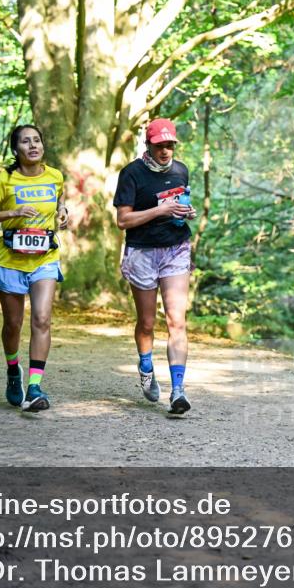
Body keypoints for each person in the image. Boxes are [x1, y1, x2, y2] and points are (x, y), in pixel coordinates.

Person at [0, 124, 69, 412]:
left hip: (44, 258)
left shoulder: (55, 176)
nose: (33, 146)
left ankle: (35, 386)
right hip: (10, 260)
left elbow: (60, 198)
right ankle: (13, 369)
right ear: (16, 149)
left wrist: (63, 212)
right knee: (13, 324)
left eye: (37, 140)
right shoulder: (5, 179)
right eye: (25, 142)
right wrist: (13, 212)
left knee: (42, 319)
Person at [113, 118, 196, 415]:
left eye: (170, 145)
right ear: (149, 144)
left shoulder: (180, 170)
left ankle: (178, 392)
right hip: (142, 252)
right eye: (160, 145)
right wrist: (160, 210)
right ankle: (146, 367)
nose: (166, 151)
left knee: (176, 321)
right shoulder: (132, 174)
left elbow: (178, 206)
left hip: (175, 249)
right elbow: (123, 220)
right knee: (147, 322)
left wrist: (185, 212)